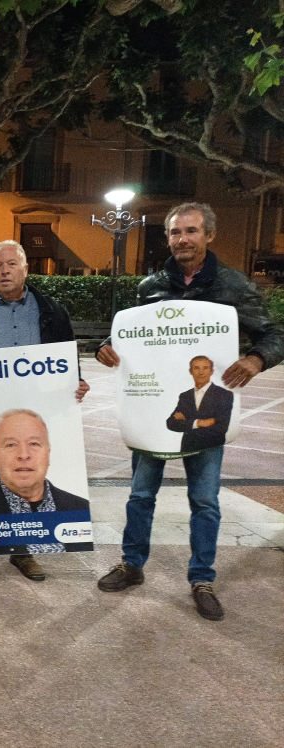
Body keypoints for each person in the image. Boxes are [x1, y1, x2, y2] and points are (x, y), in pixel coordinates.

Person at [95, 202, 283, 621]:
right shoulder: (150, 286)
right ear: (168, 238)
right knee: (141, 494)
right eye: (176, 232)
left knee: (205, 500)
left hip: (210, 409)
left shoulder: (233, 286)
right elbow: (129, 335)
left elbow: (275, 332)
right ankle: (132, 564)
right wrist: (104, 347)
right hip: (155, 410)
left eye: (192, 231)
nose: (183, 239)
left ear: (209, 235)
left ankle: (202, 578)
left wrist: (256, 359)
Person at [0, 240, 90, 581]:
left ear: (25, 269)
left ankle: (23, 551)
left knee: (27, 473)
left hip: (34, 407)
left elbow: (65, 359)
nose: (5, 271)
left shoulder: (51, 309)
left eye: (11, 264)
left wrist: (78, 383)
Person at [0, 409, 91, 568]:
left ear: (48, 453)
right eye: (11, 445)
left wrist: (77, 384)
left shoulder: (79, 508)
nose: (24, 455)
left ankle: (22, 554)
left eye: (34, 444)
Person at [165, 355, 234, 453]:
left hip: (211, 449)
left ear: (211, 372)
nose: (201, 372)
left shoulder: (224, 395)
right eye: (196, 368)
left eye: (205, 368)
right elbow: (171, 423)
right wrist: (199, 423)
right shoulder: (185, 396)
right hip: (188, 449)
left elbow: (220, 428)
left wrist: (187, 424)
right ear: (191, 371)